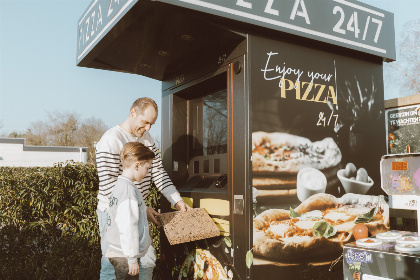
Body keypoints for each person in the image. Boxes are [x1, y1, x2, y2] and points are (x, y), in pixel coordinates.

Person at [96, 97, 190, 280]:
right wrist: (140, 208)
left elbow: (158, 173)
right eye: (145, 122)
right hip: (113, 211)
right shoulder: (111, 140)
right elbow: (109, 187)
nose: (148, 128)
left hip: (137, 207)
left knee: (147, 260)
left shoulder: (146, 139)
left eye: (151, 124)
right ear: (133, 113)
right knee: (112, 265)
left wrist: (177, 200)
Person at [106, 142, 155, 279]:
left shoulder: (120, 186)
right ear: (137, 165)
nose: (148, 173)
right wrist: (132, 258)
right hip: (125, 255)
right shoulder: (128, 191)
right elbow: (128, 226)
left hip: (120, 252)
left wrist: (144, 210)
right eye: (147, 167)